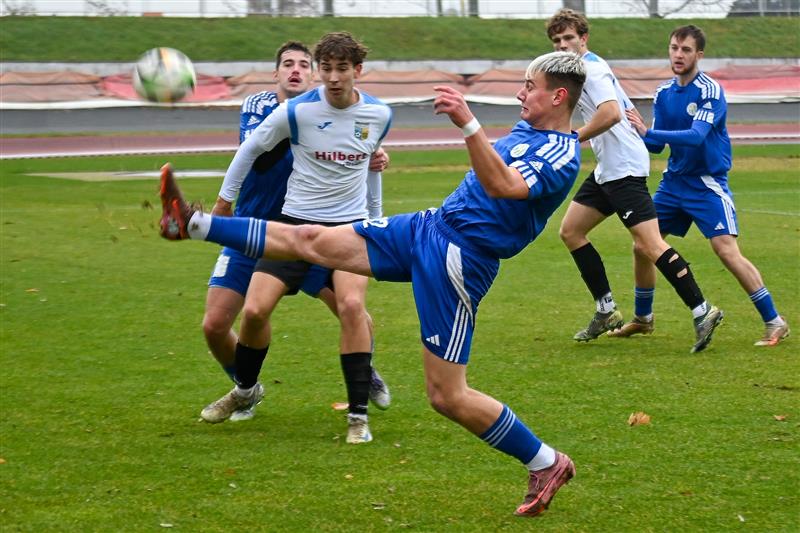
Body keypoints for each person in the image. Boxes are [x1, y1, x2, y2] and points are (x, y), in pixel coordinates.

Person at [160, 50, 584, 518]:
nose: (521, 93)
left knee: (447, 395)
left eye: (530, 86)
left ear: (558, 96)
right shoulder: (527, 130)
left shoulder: (562, 153)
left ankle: (546, 462)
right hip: (429, 227)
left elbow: (504, 186)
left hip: (461, 259)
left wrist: (468, 124)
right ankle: (192, 224)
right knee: (310, 239)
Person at [197, 32, 394, 444]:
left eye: (341, 69)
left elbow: (369, 164)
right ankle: (245, 390)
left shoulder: (378, 113)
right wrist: (224, 201)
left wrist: (376, 220)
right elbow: (252, 150)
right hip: (284, 229)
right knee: (249, 313)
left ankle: (359, 410)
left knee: (352, 307)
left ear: (357, 71)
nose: (333, 77)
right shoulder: (287, 111)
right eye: (326, 68)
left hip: (346, 230)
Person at [546, 9, 723, 353]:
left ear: (583, 39)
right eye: (557, 41)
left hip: (624, 167)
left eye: (568, 38)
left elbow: (611, 113)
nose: (563, 45)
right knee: (571, 231)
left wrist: (573, 138)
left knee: (650, 244)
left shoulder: (592, 69)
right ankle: (606, 310)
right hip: (608, 168)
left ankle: (703, 311)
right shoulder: (579, 70)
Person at [625, 25, 790, 347]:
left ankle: (775, 321)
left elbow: (696, 136)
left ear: (699, 55)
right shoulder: (663, 93)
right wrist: (626, 130)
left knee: (725, 250)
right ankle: (643, 319)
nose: (678, 55)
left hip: (706, 184)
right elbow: (656, 146)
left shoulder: (709, 90)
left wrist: (647, 133)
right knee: (642, 245)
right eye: (674, 48)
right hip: (673, 183)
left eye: (686, 50)